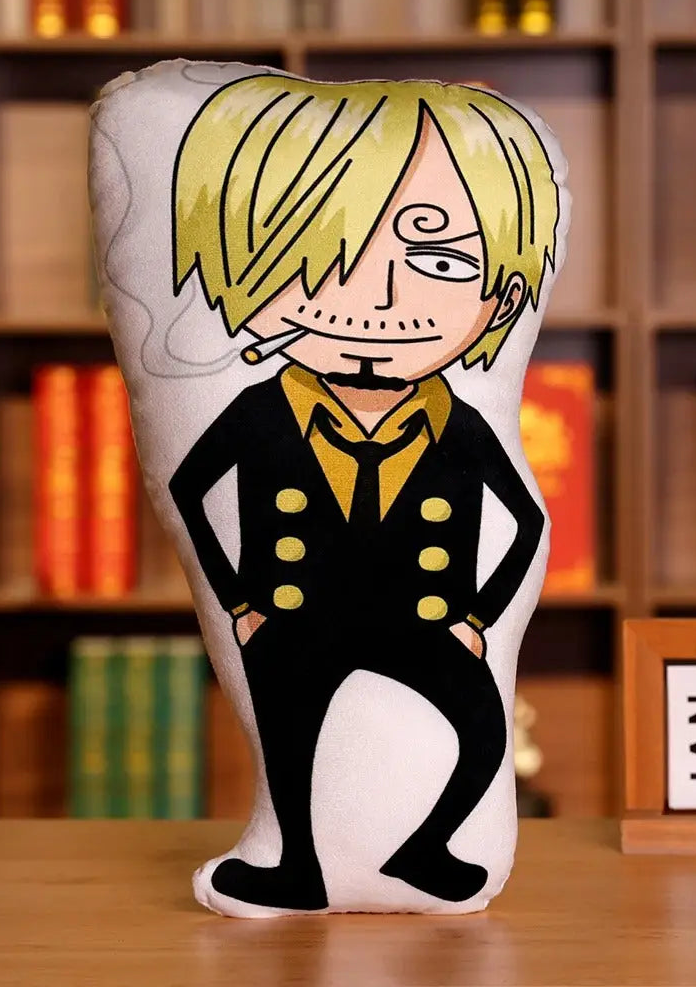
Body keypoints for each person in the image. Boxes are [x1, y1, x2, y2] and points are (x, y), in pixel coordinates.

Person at [169, 74, 561, 910]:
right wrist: (241, 600)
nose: (378, 300)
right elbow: (191, 489)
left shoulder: (457, 422)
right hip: (293, 611)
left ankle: (426, 849)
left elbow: (525, 520)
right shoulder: (261, 410)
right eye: (315, 264)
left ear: (496, 299)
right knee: (291, 743)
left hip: (419, 615)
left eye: (440, 263)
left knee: (482, 732)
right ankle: (295, 868)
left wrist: (476, 616)